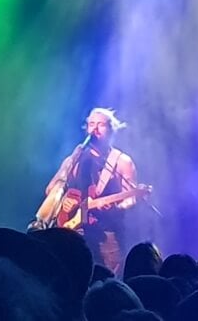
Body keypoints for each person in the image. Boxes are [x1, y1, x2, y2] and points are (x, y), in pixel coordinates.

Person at [42, 108, 139, 274]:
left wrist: (117, 208)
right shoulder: (75, 158)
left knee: (105, 276)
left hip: (107, 232)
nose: (95, 129)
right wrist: (65, 199)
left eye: (101, 125)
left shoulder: (122, 161)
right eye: (91, 124)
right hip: (72, 230)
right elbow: (51, 188)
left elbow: (131, 197)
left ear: (111, 129)